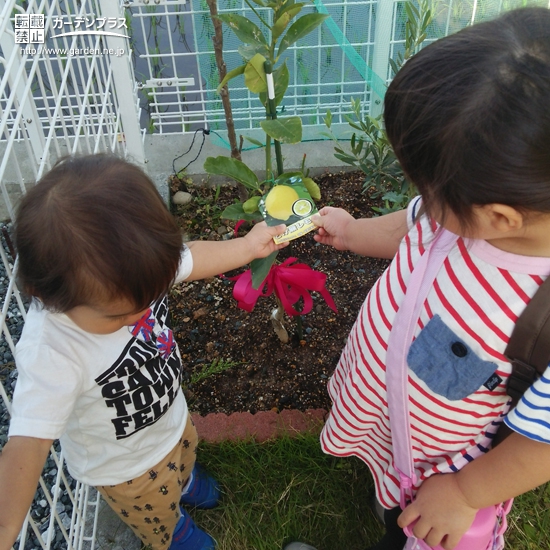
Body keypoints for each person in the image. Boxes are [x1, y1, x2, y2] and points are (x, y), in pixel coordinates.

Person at [289, 7, 550, 550]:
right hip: (391, 416)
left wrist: (462, 491)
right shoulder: (461, 209)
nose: (422, 204)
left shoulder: (541, 311)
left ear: (500, 218)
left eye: (429, 191)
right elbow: (407, 226)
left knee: (411, 531)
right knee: (393, 505)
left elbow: (541, 443)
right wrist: (355, 231)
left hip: (443, 469)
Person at [0, 154, 287, 550]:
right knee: (156, 513)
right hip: (125, 470)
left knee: (185, 452)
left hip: (171, 419)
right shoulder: (52, 348)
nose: (140, 312)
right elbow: (26, 445)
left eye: (150, 298)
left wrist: (246, 246)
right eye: (120, 314)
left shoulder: (134, 270)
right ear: (48, 296)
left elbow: (194, 259)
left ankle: (184, 481)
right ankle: (174, 533)